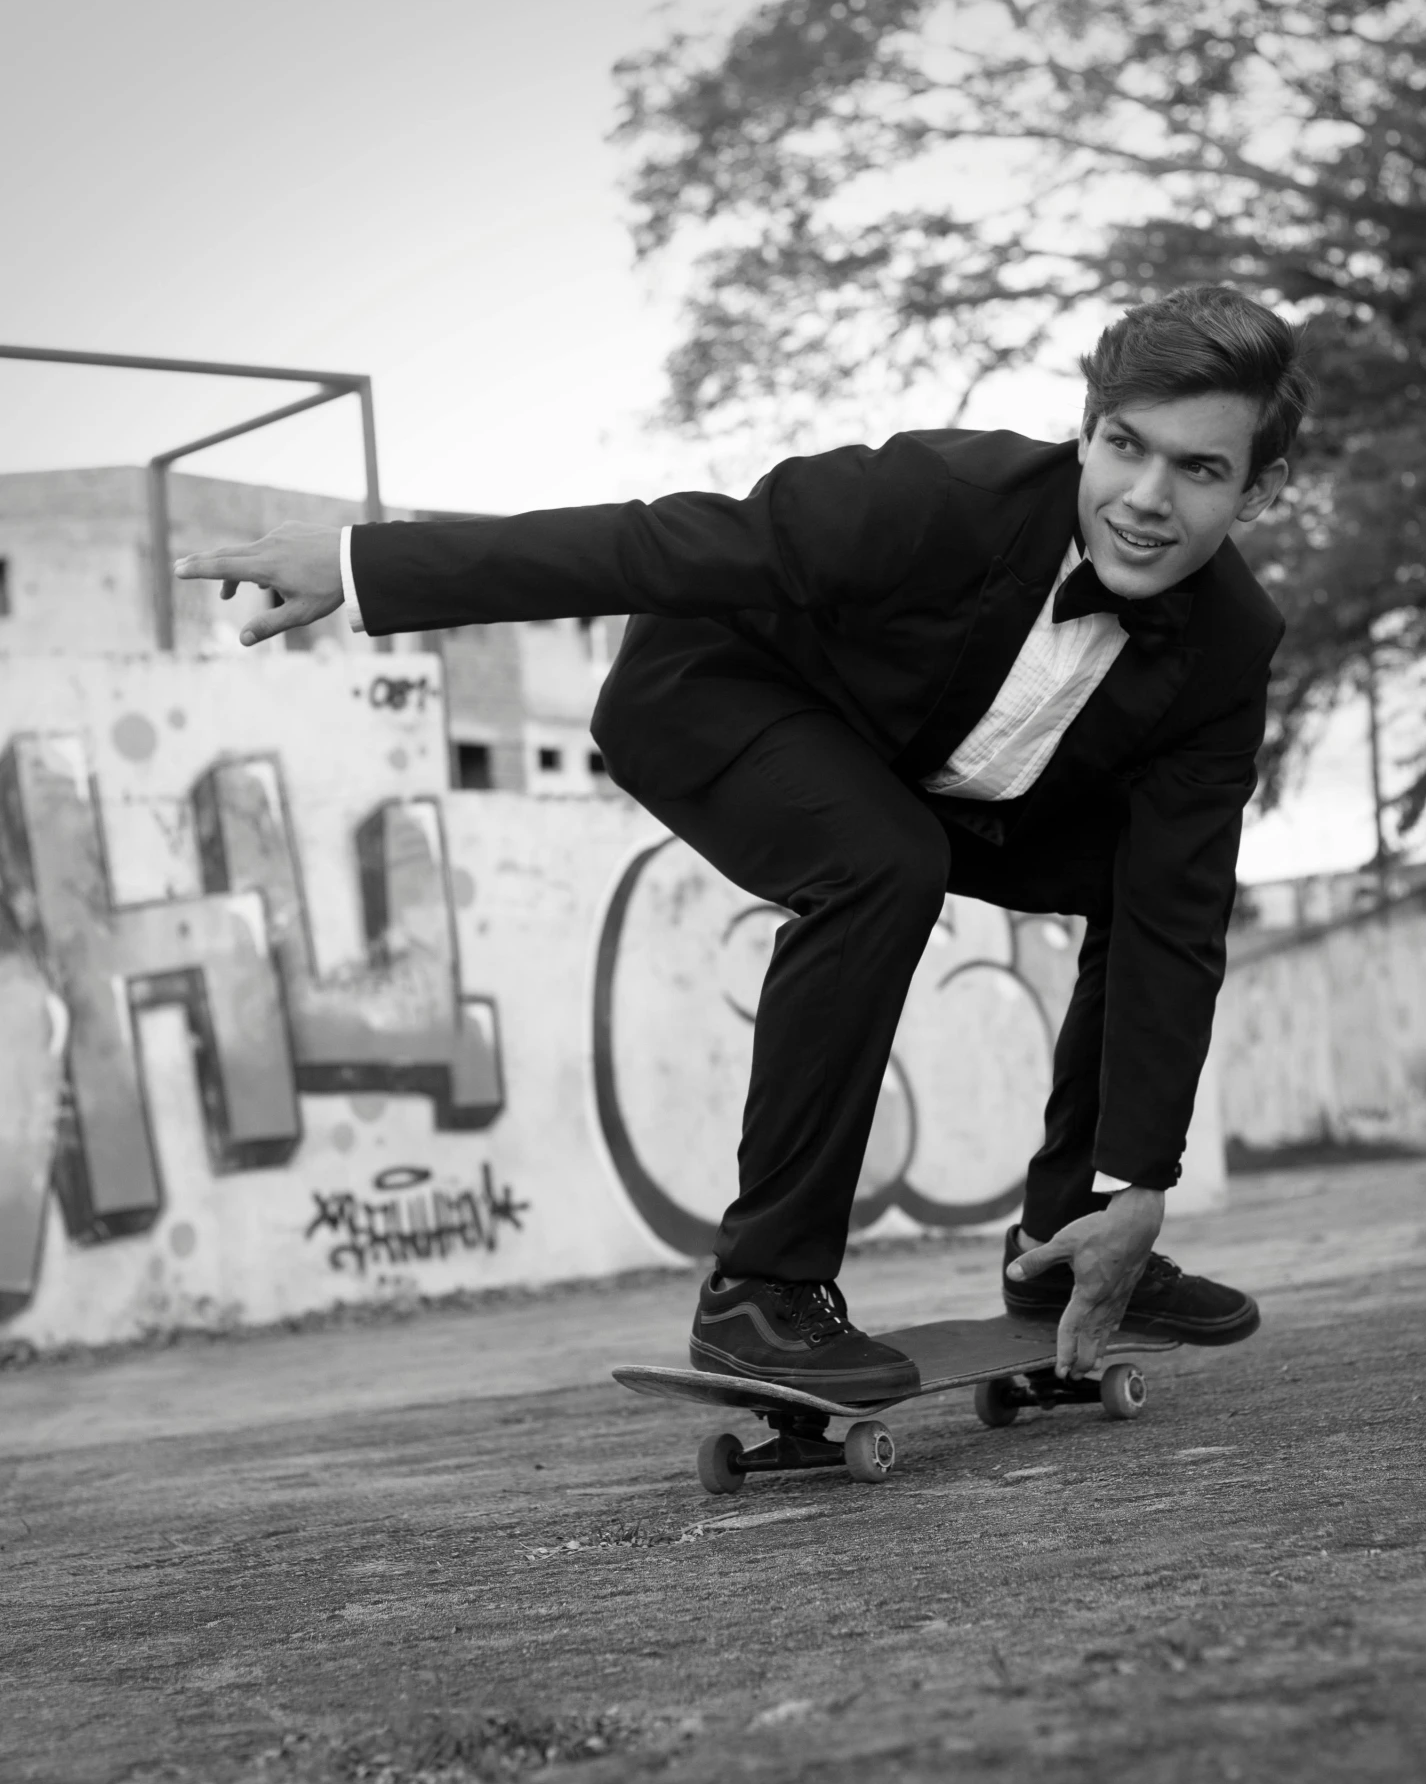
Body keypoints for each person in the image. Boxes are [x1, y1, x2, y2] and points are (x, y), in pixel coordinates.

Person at [177, 284, 1307, 1399]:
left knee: (1124, 874)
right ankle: (760, 1294)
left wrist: (1136, 1184)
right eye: (1124, 447)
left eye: (1199, 469)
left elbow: (1177, 909)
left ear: (1259, 491)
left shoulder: (1226, 646)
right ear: (1085, 429)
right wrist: (359, 564)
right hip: (720, 692)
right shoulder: (939, 497)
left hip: (941, 785)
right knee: (880, 865)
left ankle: (1068, 1240)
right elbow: (662, 543)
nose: (1145, 498)